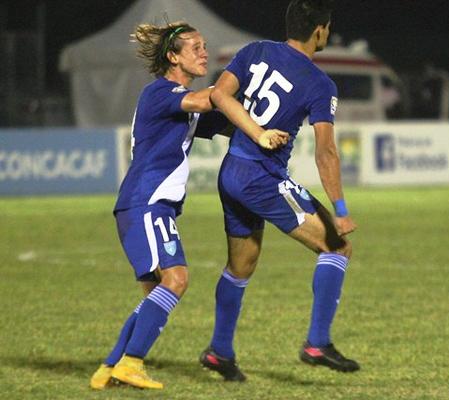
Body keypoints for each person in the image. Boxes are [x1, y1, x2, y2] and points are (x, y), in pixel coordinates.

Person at [89, 21, 287, 390]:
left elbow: (227, 117)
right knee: (177, 279)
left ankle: (111, 367)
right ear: (172, 56)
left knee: (155, 295)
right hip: (146, 202)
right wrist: (237, 79)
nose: (203, 53)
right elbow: (213, 98)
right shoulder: (159, 93)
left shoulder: (186, 104)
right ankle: (132, 363)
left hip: (150, 206)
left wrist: (273, 113)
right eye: (195, 47)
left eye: (204, 45)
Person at [200, 0, 360, 382]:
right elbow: (326, 152)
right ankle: (317, 343)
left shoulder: (254, 51)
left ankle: (219, 352)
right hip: (262, 177)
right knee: (337, 246)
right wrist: (339, 208)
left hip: (232, 172)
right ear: (320, 29)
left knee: (242, 265)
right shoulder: (320, 83)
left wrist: (248, 131)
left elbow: (218, 95)